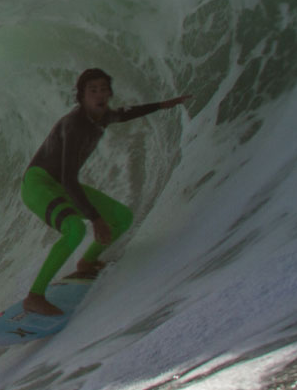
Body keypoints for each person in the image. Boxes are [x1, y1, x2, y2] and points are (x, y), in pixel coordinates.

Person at [21, 68, 190, 316]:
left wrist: (162, 105)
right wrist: (95, 218)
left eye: (103, 89)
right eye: (92, 90)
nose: (99, 95)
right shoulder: (74, 125)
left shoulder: (100, 117)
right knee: (74, 230)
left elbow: (124, 114)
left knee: (122, 218)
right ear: (81, 96)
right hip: (38, 183)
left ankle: (87, 262)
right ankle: (34, 296)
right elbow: (69, 179)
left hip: (58, 183)